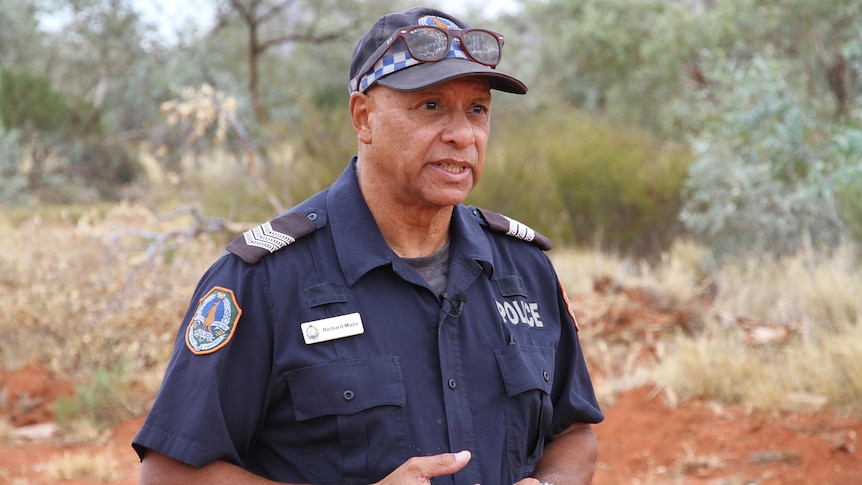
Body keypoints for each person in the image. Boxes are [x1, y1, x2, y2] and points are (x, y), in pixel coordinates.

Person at [133, 6, 603, 485]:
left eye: (477, 109)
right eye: (431, 106)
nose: (462, 135)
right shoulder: (264, 280)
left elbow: (574, 432)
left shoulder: (525, 270)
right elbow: (170, 473)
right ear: (364, 118)